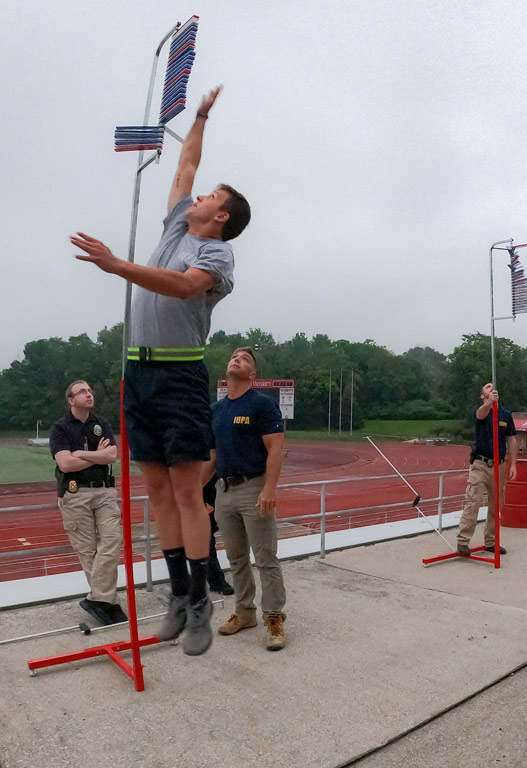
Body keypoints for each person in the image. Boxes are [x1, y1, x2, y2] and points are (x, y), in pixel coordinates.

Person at [70, 87, 252, 656]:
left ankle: (200, 600)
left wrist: (116, 265)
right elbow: (186, 162)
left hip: (179, 378)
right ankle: (177, 594)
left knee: (183, 491)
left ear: (219, 215)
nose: (196, 193)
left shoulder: (216, 256)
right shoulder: (177, 226)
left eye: (210, 196)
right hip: (139, 373)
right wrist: (198, 115)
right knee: (154, 488)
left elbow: (180, 287)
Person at [207, 347, 288, 651]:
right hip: (224, 490)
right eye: (234, 356)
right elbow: (211, 458)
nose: (237, 359)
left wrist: (269, 488)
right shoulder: (216, 410)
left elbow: (276, 449)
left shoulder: (262, 405)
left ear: (253, 375)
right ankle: (244, 613)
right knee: (236, 558)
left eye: (245, 359)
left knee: (265, 558)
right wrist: (193, 493)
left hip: (254, 488)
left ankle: (274, 618)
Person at [49, 380, 127, 626]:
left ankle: (98, 599)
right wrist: (97, 457)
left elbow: (112, 455)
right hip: (75, 495)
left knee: (112, 541)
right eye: (82, 391)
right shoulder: (60, 428)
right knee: (88, 552)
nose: (89, 393)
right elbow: (65, 464)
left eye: (90, 390)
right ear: (71, 400)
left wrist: (81, 454)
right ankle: (109, 603)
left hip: (103, 492)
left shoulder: (101, 424)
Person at [456, 383, 518, 557]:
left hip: (499, 465)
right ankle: (463, 541)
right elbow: (480, 414)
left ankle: (491, 542)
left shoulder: (505, 415)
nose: (492, 388)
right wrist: (489, 403)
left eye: (493, 387)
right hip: (480, 464)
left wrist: (513, 464)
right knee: (473, 500)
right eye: (487, 387)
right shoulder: (482, 410)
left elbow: (511, 440)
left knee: (496, 504)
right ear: (483, 395)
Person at [203, 475, 234, 596]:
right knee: (204, 538)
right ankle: (216, 582)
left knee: (230, 507)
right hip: (188, 476)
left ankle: (206, 527)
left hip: (207, 476)